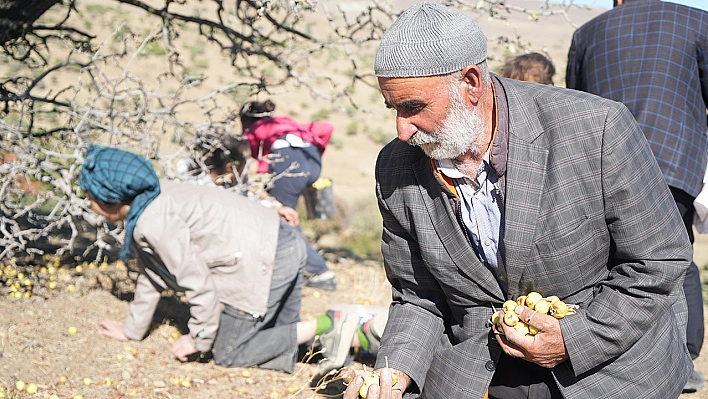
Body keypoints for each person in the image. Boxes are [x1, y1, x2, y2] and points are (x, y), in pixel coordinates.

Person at [342, 2, 693, 398]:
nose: (402, 129)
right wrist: (395, 370)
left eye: (413, 108)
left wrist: (574, 339)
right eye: (393, 108)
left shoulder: (595, 129)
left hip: (610, 371)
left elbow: (659, 261)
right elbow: (418, 296)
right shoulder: (396, 167)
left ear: (471, 84)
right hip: (481, 372)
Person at [79, 145, 358, 372]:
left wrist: (199, 339)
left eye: (90, 197)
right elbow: (151, 273)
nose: (90, 204)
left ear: (110, 198)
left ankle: (332, 323)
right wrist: (132, 330)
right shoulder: (154, 194)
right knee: (284, 333)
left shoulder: (152, 222)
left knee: (230, 349)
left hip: (269, 257)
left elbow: (198, 283)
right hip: (280, 239)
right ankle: (336, 343)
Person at [566, 0, 708, 392]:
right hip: (673, 161)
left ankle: (621, 363)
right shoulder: (698, 22)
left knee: (611, 262)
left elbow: (572, 106)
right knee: (673, 257)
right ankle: (682, 358)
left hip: (599, 164)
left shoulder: (587, 33)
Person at [240, 100, 337, 291]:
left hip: (290, 164)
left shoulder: (255, 128)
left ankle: (319, 271)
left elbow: (244, 155)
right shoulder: (286, 123)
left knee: (282, 219)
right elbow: (326, 127)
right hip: (313, 162)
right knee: (289, 216)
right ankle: (299, 266)